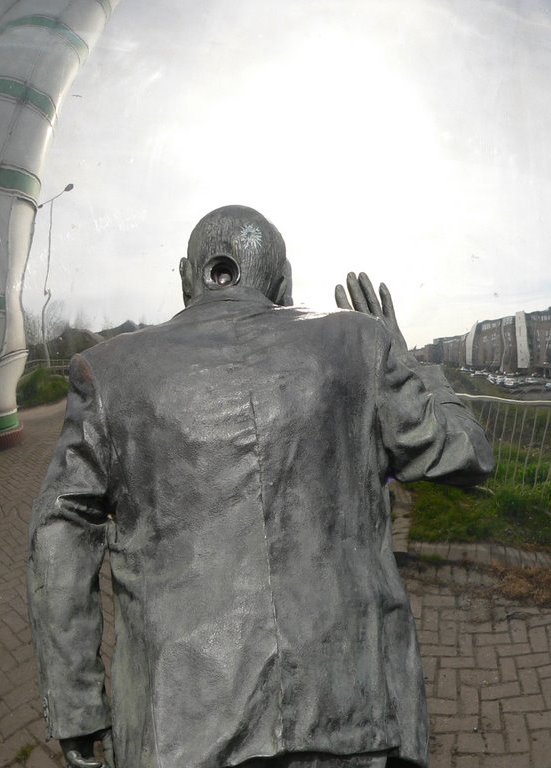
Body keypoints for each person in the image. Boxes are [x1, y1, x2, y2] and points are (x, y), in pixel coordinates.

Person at [27, 205, 494, 768]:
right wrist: (412, 360)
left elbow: (59, 527)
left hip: (182, 729)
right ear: (285, 282)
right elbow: (466, 455)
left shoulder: (107, 371)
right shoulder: (361, 346)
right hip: (354, 718)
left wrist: (79, 706)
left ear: (184, 277)